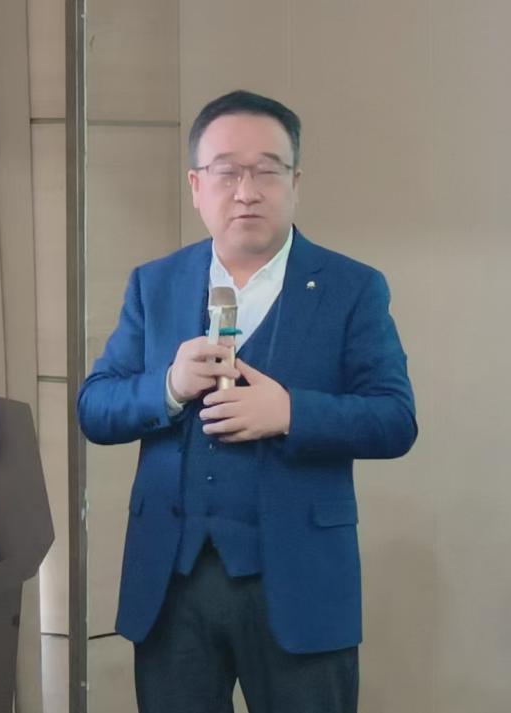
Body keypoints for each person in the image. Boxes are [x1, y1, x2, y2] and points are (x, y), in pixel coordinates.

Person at [77, 89, 417, 713]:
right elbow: (95, 408)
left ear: (295, 183)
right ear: (196, 185)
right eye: (226, 171)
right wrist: (168, 387)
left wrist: (291, 413)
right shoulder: (155, 284)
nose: (246, 191)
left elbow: (395, 418)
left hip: (299, 583)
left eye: (267, 171)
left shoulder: (351, 287)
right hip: (172, 583)